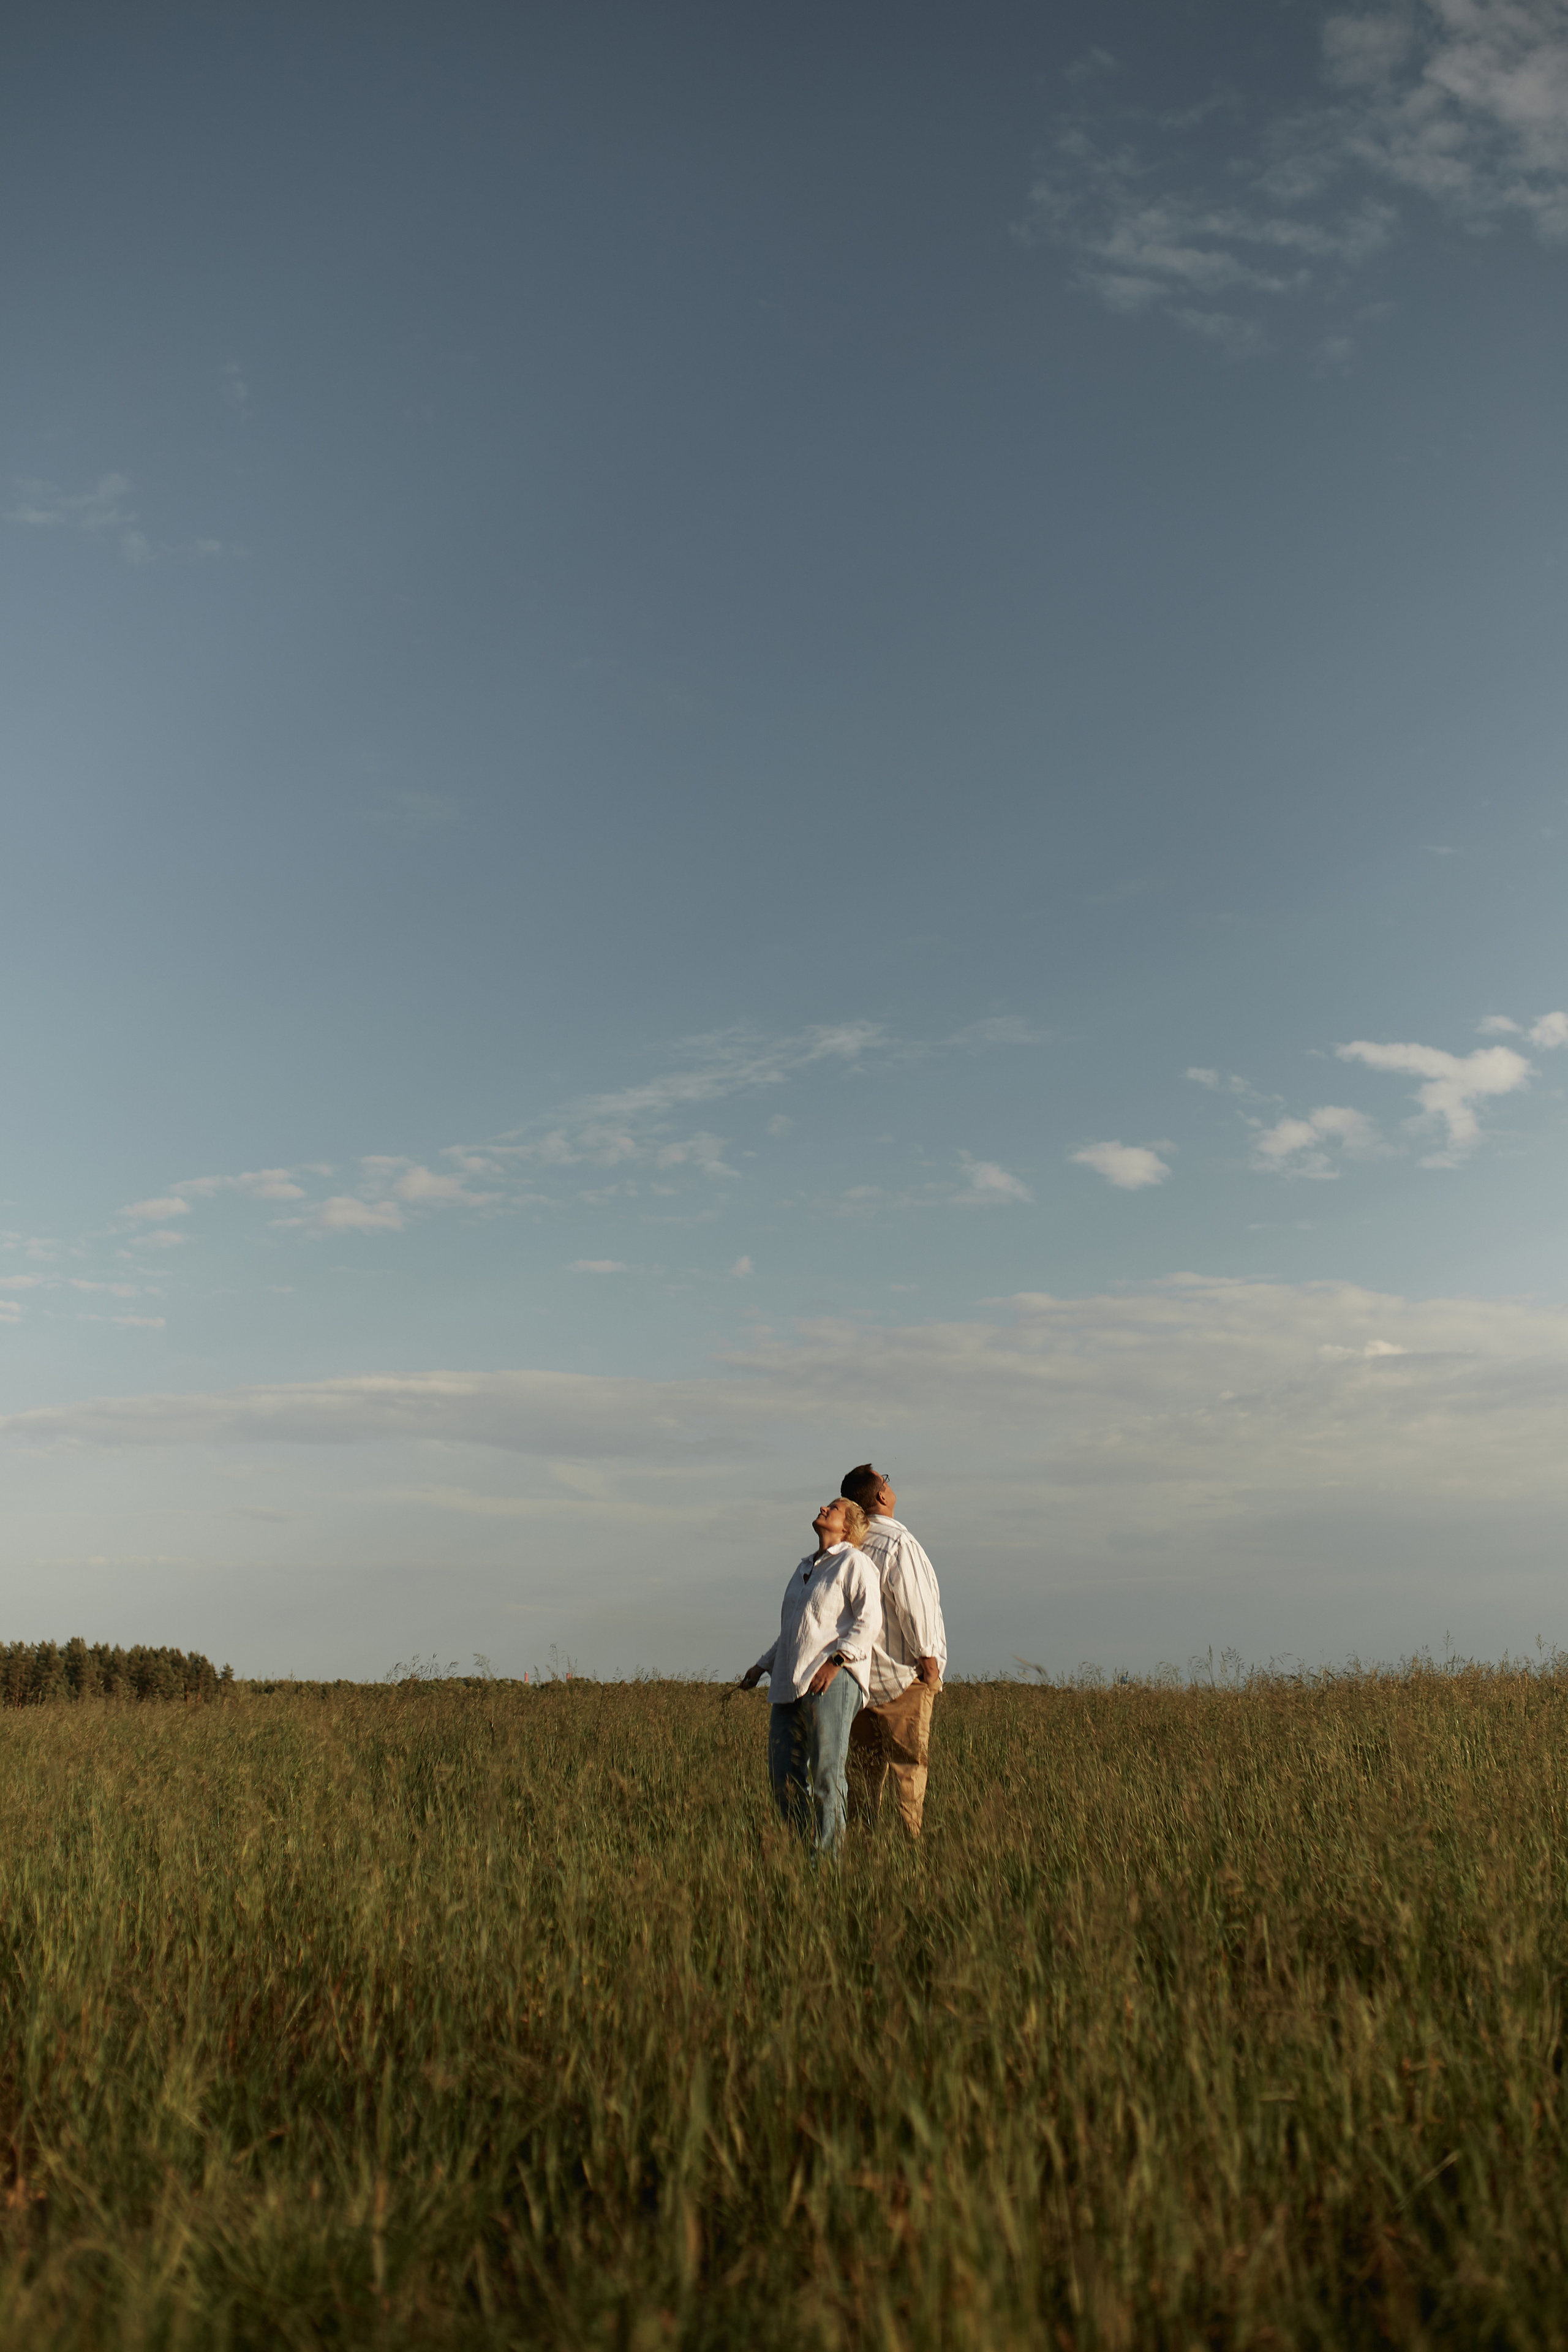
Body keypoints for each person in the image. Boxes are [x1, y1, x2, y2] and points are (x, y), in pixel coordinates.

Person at [738, 1494, 881, 1857]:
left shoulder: (855, 1563)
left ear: (848, 1527)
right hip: (790, 1683)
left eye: (833, 1509)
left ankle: (828, 1866)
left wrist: (836, 1662)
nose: (823, 1509)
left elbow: (869, 1621)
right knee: (783, 1780)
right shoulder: (805, 1567)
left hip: (833, 1681)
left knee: (826, 1776)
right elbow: (794, 1632)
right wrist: (762, 1666)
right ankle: (803, 1857)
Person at [839, 1463, 947, 1838]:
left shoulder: (848, 1546)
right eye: (886, 1479)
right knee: (909, 1773)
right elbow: (916, 1608)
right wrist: (930, 1668)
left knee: (861, 1776)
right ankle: (910, 1849)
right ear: (881, 1495)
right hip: (902, 1679)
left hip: (856, 1681)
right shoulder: (898, 1543)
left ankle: (861, 1847)